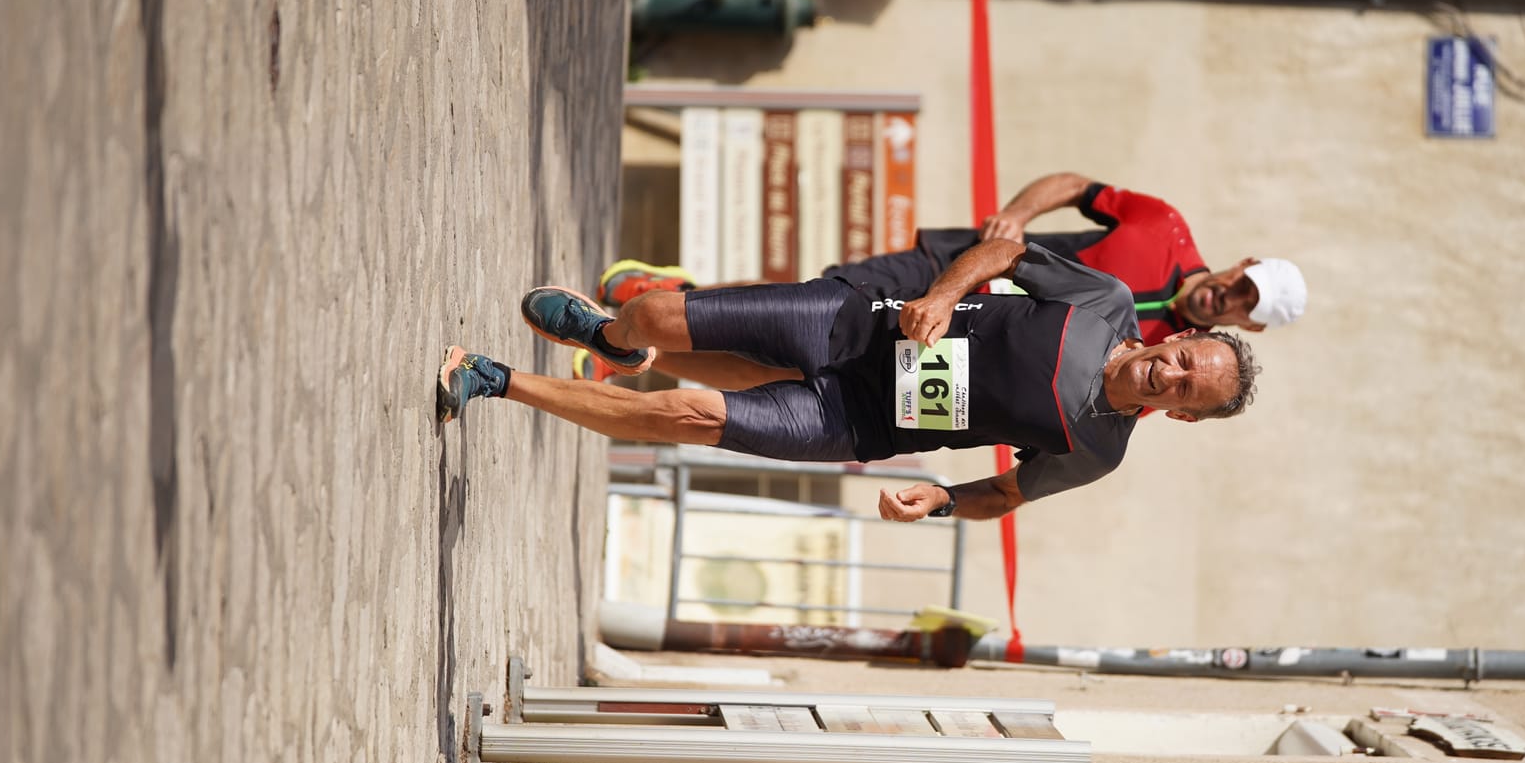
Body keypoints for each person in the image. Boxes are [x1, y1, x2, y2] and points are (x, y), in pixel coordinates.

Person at [437, 238, 1260, 521]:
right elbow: (1005, 251)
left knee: (686, 415)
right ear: (1181, 336)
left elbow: (1007, 494)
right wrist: (943, 293)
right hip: (857, 319)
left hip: (858, 420)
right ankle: (617, 339)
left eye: (1187, 390)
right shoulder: (1104, 302)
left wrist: (938, 500)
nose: (1173, 374)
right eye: (1187, 359)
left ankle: (493, 378)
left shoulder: (1097, 446)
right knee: (655, 317)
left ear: (1181, 418)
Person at [582, 172, 1306, 391]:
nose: (1230, 298)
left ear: (1248, 327)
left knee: (790, 370)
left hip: (961, 348)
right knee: (812, 306)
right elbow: (1072, 182)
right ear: (1242, 262)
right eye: (1244, 283)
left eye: (1246, 309)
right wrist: (1014, 218)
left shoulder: (1166, 363)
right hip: (945, 274)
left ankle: (649, 354)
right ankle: (676, 296)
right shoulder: (1165, 225)